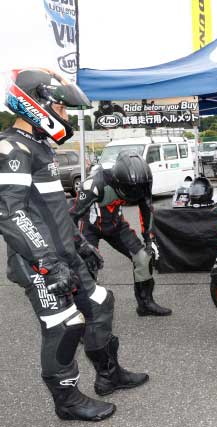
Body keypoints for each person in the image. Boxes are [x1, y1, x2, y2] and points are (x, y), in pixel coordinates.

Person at [1, 68, 147, 422]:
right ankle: (66, 401)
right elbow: (11, 213)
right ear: (36, 104)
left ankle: (109, 374)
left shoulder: (39, 146)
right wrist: (48, 263)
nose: (64, 114)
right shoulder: (11, 148)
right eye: (61, 107)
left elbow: (53, 208)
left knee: (100, 303)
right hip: (38, 262)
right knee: (64, 325)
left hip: (64, 253)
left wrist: (79, 242)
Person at [69, 152, 172, 317]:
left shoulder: (142, 183)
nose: (135, 193)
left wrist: (149, 240)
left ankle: (145, 304)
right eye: (130, 190)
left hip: (116, 225)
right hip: (89, 226)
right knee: (87, 266)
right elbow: (72, 217)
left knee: (143, 258)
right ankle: (85, 314)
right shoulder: (94, 184)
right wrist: (79, 245)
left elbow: (147, 210)